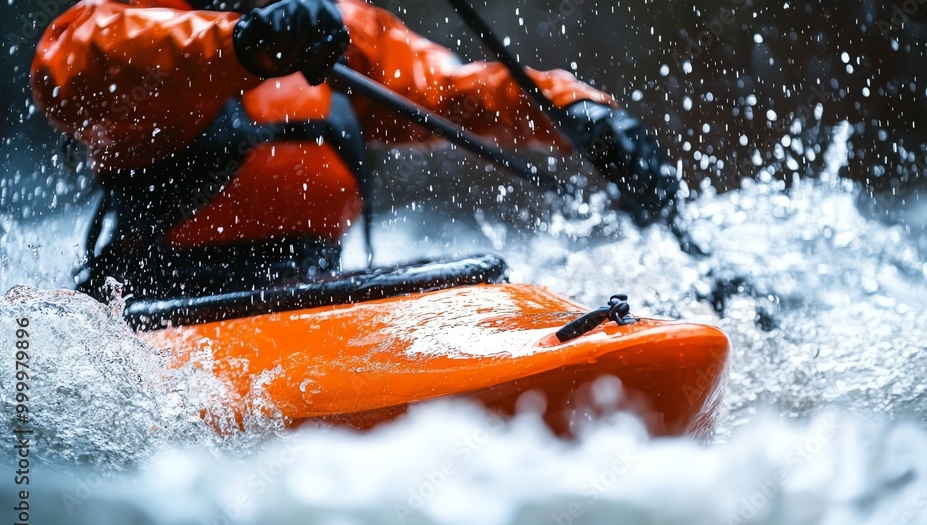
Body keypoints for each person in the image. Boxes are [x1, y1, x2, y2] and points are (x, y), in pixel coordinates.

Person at [32, 0, 679, 302]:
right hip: (158, 309)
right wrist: (245, 43)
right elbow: (72, 67)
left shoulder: (340, 29)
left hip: (312, 295)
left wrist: (579, 114)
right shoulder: (123, 26)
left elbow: (454, 92)